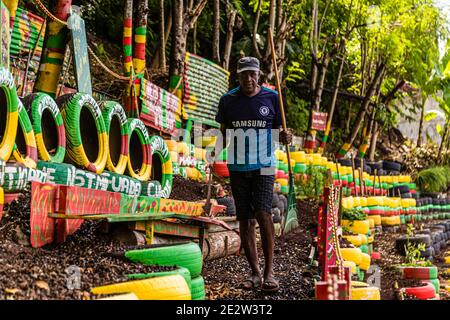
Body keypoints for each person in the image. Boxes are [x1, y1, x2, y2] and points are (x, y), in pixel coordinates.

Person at [212, 56, 292, 293]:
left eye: (252, 74)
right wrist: (214, 152)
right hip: (237, 165)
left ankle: (270, 273)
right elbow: (223, 133)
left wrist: (286, 137)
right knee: (245, 218)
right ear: (237, 76)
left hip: (265, 164)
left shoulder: (272, 98)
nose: (248, 78)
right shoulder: (227, 101)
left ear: (259, 75)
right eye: (244, 74)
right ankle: (255, 273)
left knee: (263, 213)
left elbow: (279, 133)